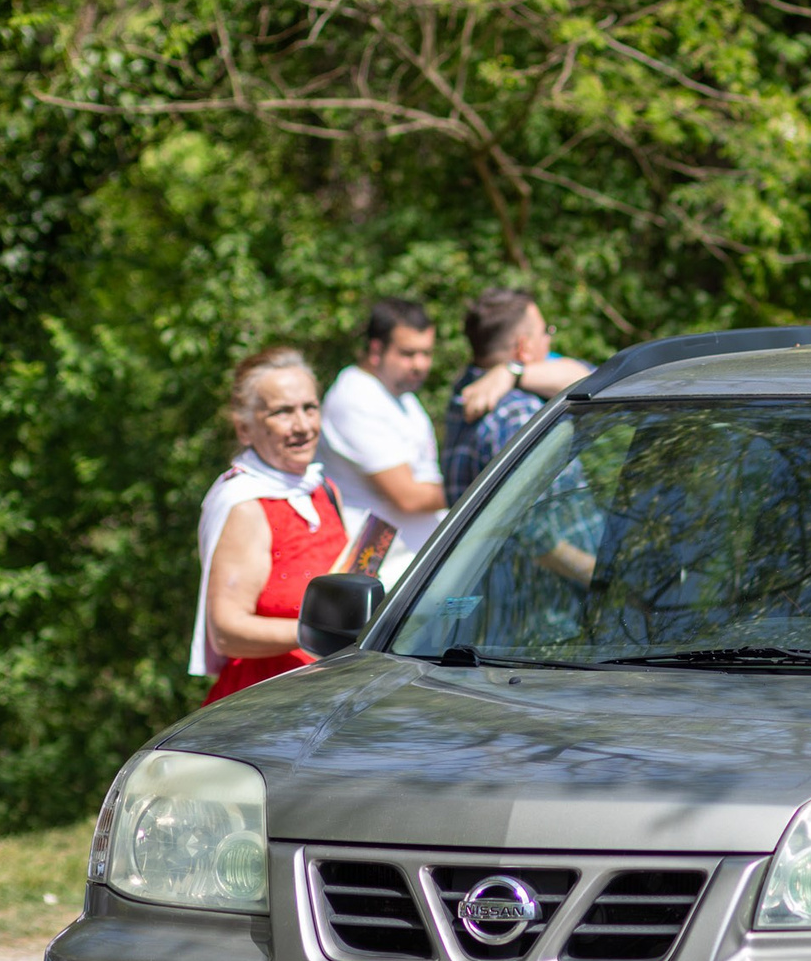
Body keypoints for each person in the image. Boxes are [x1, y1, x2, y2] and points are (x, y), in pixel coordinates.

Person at [190, 348, 351, 703]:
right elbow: (226, 632)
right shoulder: (246, 505)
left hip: (330, 694)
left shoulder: (324, 489)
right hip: (267, 704)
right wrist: (320, 633)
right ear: (245, 428)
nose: (304, 426)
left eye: (310, 408)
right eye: (283, 412)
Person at [318, 296, 444, 581]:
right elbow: (408, 497)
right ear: (376, 349)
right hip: (381, 577)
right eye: (409, 353)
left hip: (412, 570)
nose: (420, 364)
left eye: (427, 353)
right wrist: (475, 484)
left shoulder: (401, 395)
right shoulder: (354, 398)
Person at [440, 288, 591, 503]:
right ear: (524, 346)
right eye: (544, 332)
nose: (548, 339)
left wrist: (512, 371)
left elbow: (589, 377)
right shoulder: (518, 413)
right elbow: (553, 509)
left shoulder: (463, 391)